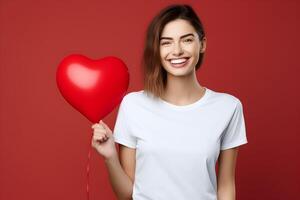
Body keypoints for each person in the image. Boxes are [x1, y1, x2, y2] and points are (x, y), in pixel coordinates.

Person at [91, 4, 248, 200]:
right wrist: (110, 156)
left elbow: (225, 188)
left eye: (187, 40)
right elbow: (127, 194)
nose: (177, 50)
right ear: (156, 49)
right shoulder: (133, 105)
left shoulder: (228, 107)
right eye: (166, 42)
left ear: (203, 44)